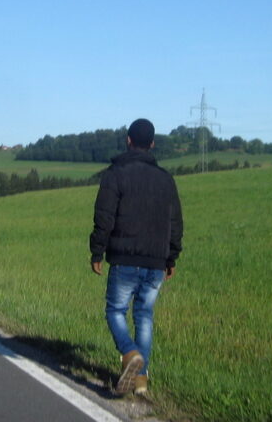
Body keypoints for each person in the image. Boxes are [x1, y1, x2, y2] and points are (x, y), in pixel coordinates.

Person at [90, 118, 183, 396]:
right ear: (152, 144)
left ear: (128, 140)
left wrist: (97, 251)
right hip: (156, 261)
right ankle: (141, 381)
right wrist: (171, 257)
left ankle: (130, 354)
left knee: (115, 311)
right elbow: (175, 222)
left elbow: (104, 217)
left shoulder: (115, 174)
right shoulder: (166, 179)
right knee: (144, 315)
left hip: (124, 258)